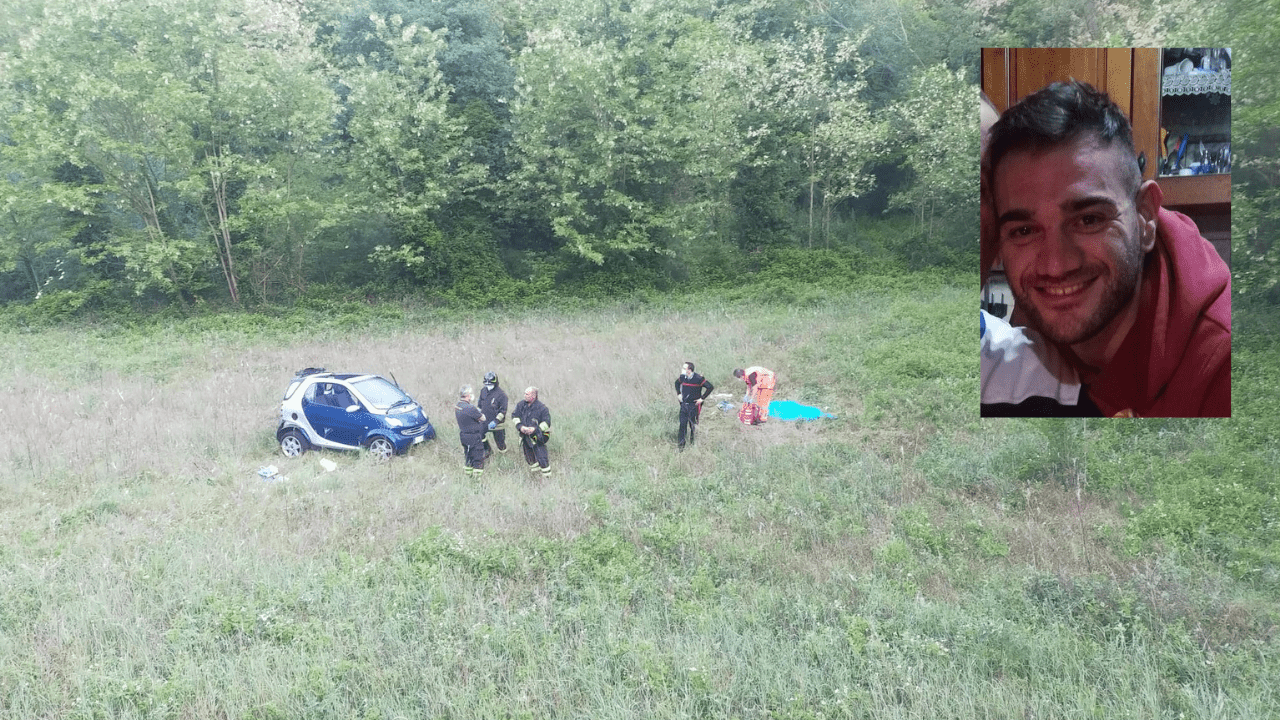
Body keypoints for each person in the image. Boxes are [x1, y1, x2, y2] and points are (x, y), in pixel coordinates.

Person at [986, 80, 1230, 417]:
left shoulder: (1223, 367)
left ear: (1145, 217)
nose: (1055, 265)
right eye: (1025, 230)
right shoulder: (1026, 334)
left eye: (1088, 220)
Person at [511, 386, 552, 478]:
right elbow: (515, 416)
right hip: (525, 437)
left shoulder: (542, 408)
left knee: (542, 458)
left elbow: (547, 422)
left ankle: (547, 478)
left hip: (538, 438)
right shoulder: (521, 405)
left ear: (533, 395)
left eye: (527, 394)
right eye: (524, 393)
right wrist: (520, 427)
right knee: (530, 459)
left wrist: (535, 429)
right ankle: (536, 477)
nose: (524, 396)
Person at [674, 361, 714, 450]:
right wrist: (679, 394)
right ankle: (681, 447)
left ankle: (693, 443)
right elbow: (677, 383)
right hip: (684, 405)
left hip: (694, 405)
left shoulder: (698, 378)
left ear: (689, 370)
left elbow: (710, 387)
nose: (682, 370)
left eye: (684, 368)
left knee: (693, 425)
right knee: (682, 425)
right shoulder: (682, 377)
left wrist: (702, 398)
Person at [454, 385, 487, 477]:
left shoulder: (458, 406)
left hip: (464, 436)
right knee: (478, 458)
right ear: (468, 395)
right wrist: (478, 411)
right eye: (471, 393)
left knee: (468, 457)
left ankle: (469, 476)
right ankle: (477, 481)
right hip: (474, 437)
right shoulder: (470, 408)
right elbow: (483, 418)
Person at [478, 371, 508, 458]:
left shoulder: (502, 395)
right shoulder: (483, 391)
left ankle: (503, 456)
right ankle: (487, 450)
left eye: (490, 384)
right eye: (486, 384)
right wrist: (477, 415)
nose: (488, 386)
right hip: (484, 420)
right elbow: (480, 405)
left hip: (498, 423)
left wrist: (496, 421)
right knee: (480, 434)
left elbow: (503, 411)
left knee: (500, 442)